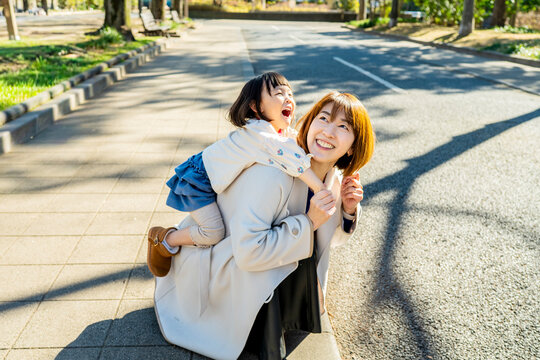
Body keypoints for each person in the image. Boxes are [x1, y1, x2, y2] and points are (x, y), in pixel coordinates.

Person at [153, 91, 375, 360]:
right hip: (220, 265)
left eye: (343, 127)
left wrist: (349, 210)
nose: (329, 132)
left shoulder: (333, 176)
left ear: (352, 146)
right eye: (324, 118)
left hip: (257, 263)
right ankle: (167, 240)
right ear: (310, 123)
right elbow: (248, 253)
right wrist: (308, 222)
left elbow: (330, 238)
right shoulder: (273, 172)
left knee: (294, 254)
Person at [147, 72, 326, 277]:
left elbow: (294, 141)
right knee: (213, 233)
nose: (288, 99)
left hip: (206, 175)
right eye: (278, 93)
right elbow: (294, 159)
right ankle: (164, 239)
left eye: (290, 94)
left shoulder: (274, 132)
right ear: (256, 106)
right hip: (197, 180)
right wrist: (320, 189)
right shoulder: (260, 134)